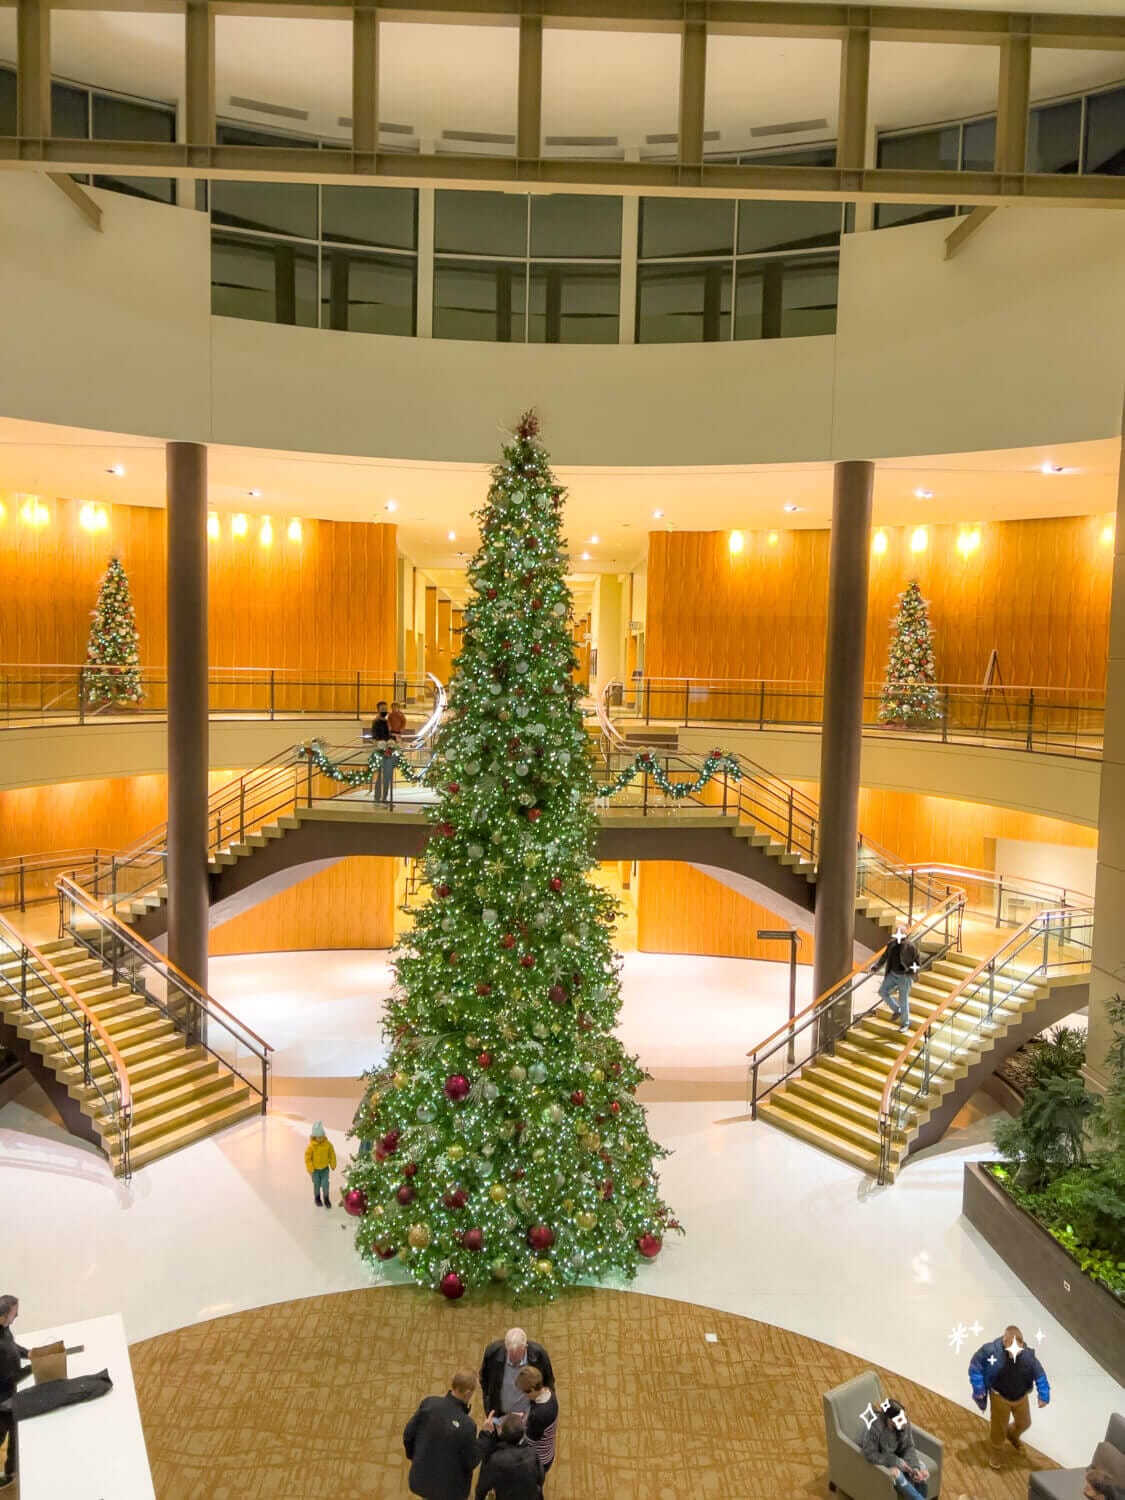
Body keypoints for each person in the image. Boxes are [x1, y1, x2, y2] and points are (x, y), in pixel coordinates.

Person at [968, 1324, 1050, 1470]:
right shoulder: (990, 1351)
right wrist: (979, 1387)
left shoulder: (1028, 1358)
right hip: (1000, 1396)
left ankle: (1012, 1435)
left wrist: (1043, 1395)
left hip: (1020, 1396)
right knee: (998, 1428)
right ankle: (996, 1452)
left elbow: (1040, 1374)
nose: (1015, 1352)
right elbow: (976, 1366)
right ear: (1005, 1342)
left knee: (1024, 1422)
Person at [403, 1370, 483, 1500]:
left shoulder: (429, 1403)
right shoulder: (468, 1425)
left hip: (421, 1482)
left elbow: (408, 1434)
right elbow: (471, 1461)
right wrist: (485, 1435)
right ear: (468, 1393)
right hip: (449, 1492)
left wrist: (415, 1456)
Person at [861, 1398, 930, 1500]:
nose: (905, 1422)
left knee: (922, 1469)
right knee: (896, 1473)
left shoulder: (903, 1423)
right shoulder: (875, 1427)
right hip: (882, 1461)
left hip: (898, 1457)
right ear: (890, 1420)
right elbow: (870, 1454)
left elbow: (908, 1447)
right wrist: (895, 1461)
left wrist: (914, 1468)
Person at [479, 1329, 554, 1421]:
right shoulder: (493, 1353)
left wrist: (542, 1412)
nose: (514, 1362)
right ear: (505, 1347)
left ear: (525, 1347)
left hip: (529, 1418)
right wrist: (489, 1410)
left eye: (518, 1356)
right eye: (511, 1355)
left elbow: (549, 1382)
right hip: (500, 1418)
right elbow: (484, 1381)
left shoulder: (539, 1355)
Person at [0, 1294, 31, 1491]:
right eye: (14, 1314)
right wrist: (32, 1369)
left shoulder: (4, 1330)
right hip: (2, 1400)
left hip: (8, 1396)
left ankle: (11, 1471)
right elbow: (8, 1379)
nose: (16, 1316)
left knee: (14, 1431)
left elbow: (12, 1345)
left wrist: (28, 1353)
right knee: (5, 1432)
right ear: (3, 1317)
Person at [475, 1413, 543, 1500]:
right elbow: (540, 1478)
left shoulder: (495, 1460)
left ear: (502, 1434)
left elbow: (483, 1487)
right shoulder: (532, 1453)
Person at [873, 926, 922, 1029]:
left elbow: (917, 962)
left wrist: (911, 972)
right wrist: (876, 966)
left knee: (903, 1000)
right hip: (893, 974)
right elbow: (884, 957)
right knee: (883, 991)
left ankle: (905, 1024)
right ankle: (897, 1010)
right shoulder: (891, 944)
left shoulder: (911, 946)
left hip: (904, 977)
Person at [515, 1366, 557, 1481]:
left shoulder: (539, 1415)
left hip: (538, 1460)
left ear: (533, 1390)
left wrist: (514, 1428)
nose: (524, 1395)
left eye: (525, 1392)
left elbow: (529, 1440)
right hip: (548, 1453)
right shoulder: (550, 1393)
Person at [304, 1121, 336, 1208]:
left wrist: (333, 1163)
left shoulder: (328, 1145)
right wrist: (310, 1168)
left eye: (322, 1136)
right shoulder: (311, 1147)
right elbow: (307, 1158)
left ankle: (326, 1198)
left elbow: (332, 1154)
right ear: (314, 1137)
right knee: (317, 1184)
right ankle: (317, 1198)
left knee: (325, 1183)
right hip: (315, 1170)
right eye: (318, 1137)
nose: (321, 1139)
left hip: (325, 1169)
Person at [371, 701, 394, 804]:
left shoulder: (386, 722)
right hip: (380, 752)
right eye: (382, 708)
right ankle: (378, 798)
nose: (384, 710)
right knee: (381, 776)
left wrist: (392, 739)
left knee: (387, 776)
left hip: (387, 751)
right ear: (378, 709)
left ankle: (384, 798)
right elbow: (376, 737)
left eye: (385, 708)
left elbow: (387, 735)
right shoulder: (376, 722)